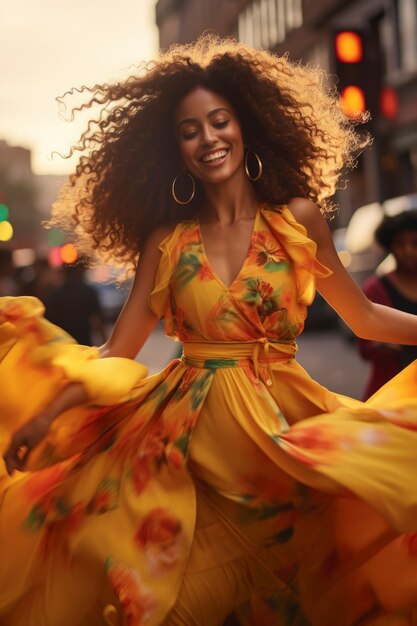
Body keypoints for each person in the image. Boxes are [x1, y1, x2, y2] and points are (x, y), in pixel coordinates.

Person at [1, 35, 417, 626]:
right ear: (175, 148)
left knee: (300, 596)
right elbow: (118, 351)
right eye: (189, 129)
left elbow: (364, 317)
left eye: (219, 121)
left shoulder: (295, 220)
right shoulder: (167, 242)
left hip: (282, 447)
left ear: (245, 125)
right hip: (187, 450)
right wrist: (46, 414)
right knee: (174, 609)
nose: (208, 138)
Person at [358, 210, 417, 400]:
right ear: (390, 246)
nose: (408, 250)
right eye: (400, 244)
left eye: (415, 244)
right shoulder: (376, 288)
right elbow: (364, 346)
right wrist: (381, 347)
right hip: (391, 396)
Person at [44, 260, 107, 346]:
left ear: (64, 272)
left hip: (64, 346)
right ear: (81, 270)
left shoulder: (55, 295)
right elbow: (99, 322)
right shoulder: (88, 292)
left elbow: (49, 324)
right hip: (84, 345)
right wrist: (105, 342)